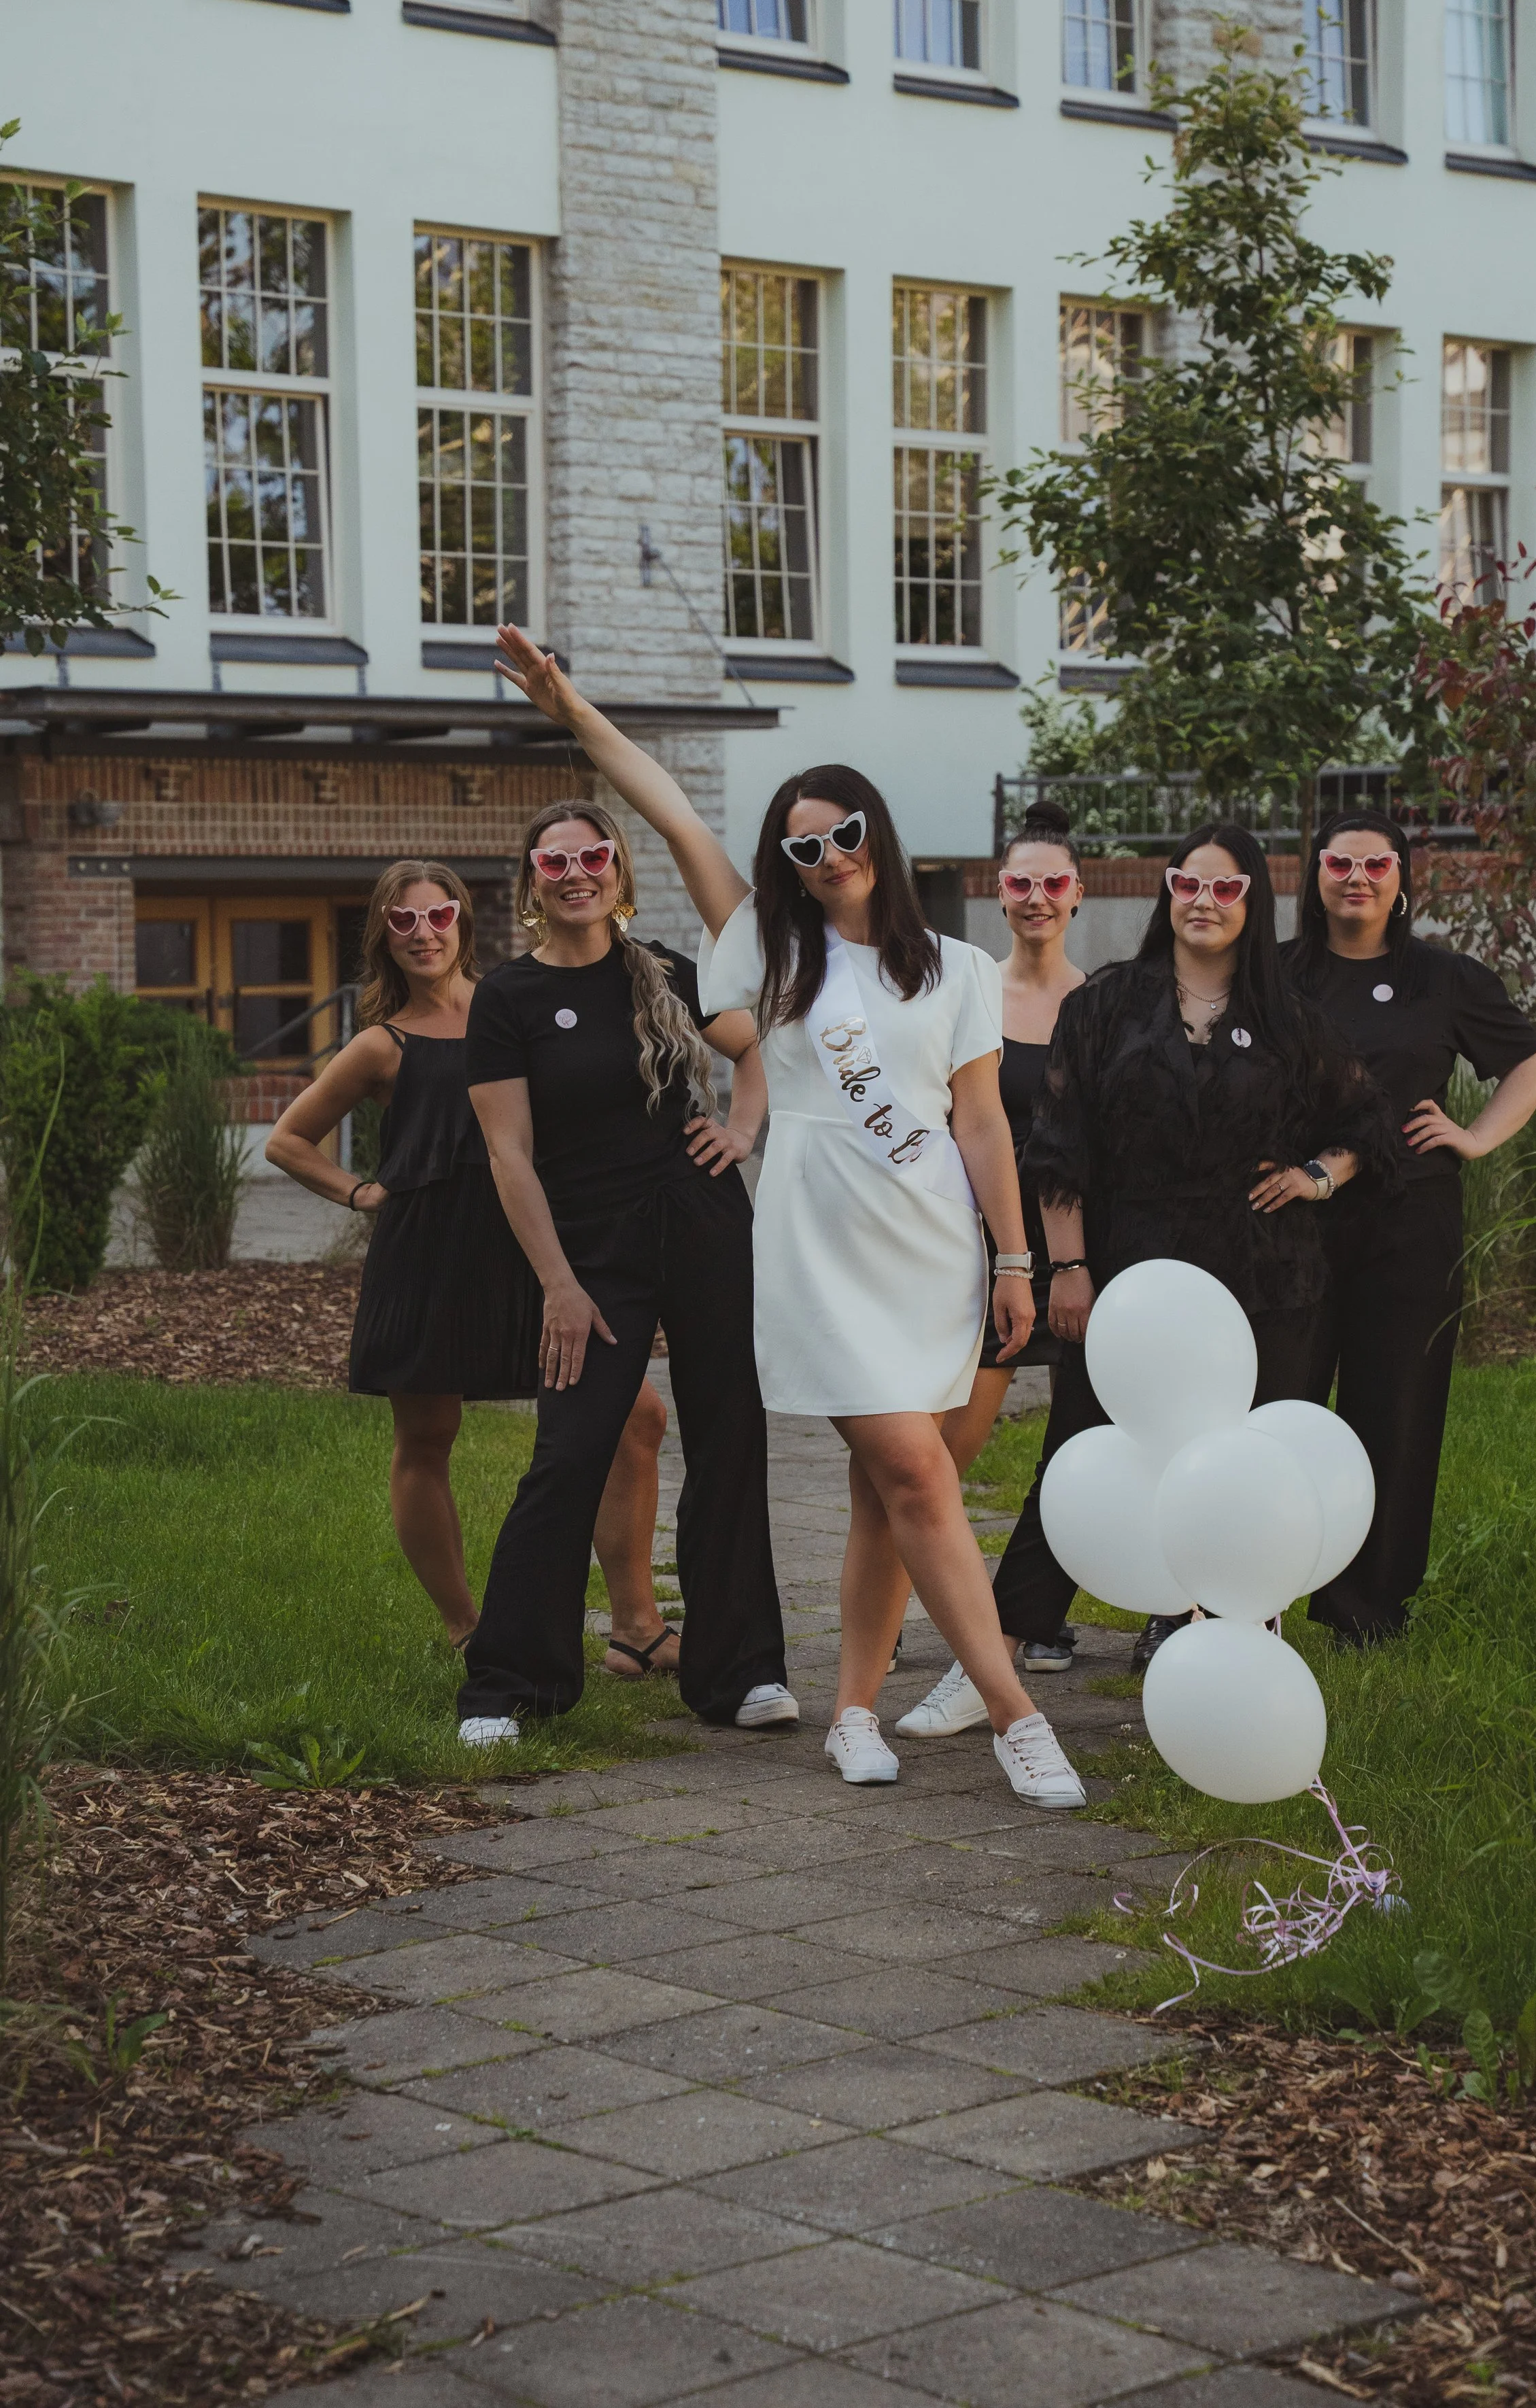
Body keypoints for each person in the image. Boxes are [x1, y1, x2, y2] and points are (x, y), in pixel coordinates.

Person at [492, 621, 1085, 1807]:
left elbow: (981, 1128)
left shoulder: (959, 972)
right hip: (818, 1259)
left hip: (934, 1255)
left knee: (884, 1494)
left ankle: (855, 1714)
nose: (826, 855)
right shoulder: (769, 944)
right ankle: (1019, 1715)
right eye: (803, 843)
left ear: (880, 835)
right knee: (919, 1476)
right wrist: (572, 708)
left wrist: (1015, 1260)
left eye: (844, 833)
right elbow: (670, 813)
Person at [903, 821, 1398, 1721]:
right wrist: (1071, 1266)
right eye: (1187, 884)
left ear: (1254, 902)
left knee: (1245, 1470)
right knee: (1078, 1456)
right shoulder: (1106, 1007)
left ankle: (1238, 1670)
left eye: (1226, 888)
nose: (1204, 902)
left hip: (1262, 1282)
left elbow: (1368, 1123)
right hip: (1129, 1278)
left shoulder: (1288, 1019)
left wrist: (1315, 1176)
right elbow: (1059, 1145)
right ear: (1165, 892)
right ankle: (994, 1666)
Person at [265, 861, 679, 1676]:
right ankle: (466, 1627)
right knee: (427, 1436)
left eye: (437, 915)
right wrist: (361, 1193)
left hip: (536, 1248)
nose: (423, 934)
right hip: (431, 1256)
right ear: (383, 936)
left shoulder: (515, 1002)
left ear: (462, 921)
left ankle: (635, 1623)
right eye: (402, 922)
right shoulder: (379, 1045)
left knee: (635, 1416)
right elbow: (286, 1140)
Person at [456, 795, 792, 1747]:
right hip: (589, 1245)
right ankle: (511, 1682)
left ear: (619, 869)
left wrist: (742, 1128)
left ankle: (741, 1672)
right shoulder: (509, 997)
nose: (575, 874)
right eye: (553, 862)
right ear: (531, 883)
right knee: (571, 1450)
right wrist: (558, 1283)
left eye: (591, 855)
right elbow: (508, 1156)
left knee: (730, 1435)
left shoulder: (672, 974)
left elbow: (761, 1039)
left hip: (701, 1218)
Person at [1284, 811, 1536, 1642]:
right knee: (1279, 1404)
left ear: (1402, 878)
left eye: (1375, 864)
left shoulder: (1444, 979)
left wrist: (1474, 1137)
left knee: (1392, 1410)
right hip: (1292, 1221)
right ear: (1316, 874)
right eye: (1340, 863)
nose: (1356, 877)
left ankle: (1366, 1607)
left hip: (1412, 1225)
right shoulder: (1275, 974)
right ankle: (1255, 1592)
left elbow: (1532, 1064)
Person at [891, 802, 1087, 1731]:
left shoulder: (1105, 1003)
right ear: (995, 892)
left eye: (1054, 882)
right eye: (1021, 882)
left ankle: (1032, 1618)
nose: (1037, 897)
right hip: (981, 1252)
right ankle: (884, 1604)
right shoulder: (965, 988)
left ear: (1079, 894)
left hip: (1085, 1255)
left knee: (1082, 1443)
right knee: (941, 1448)